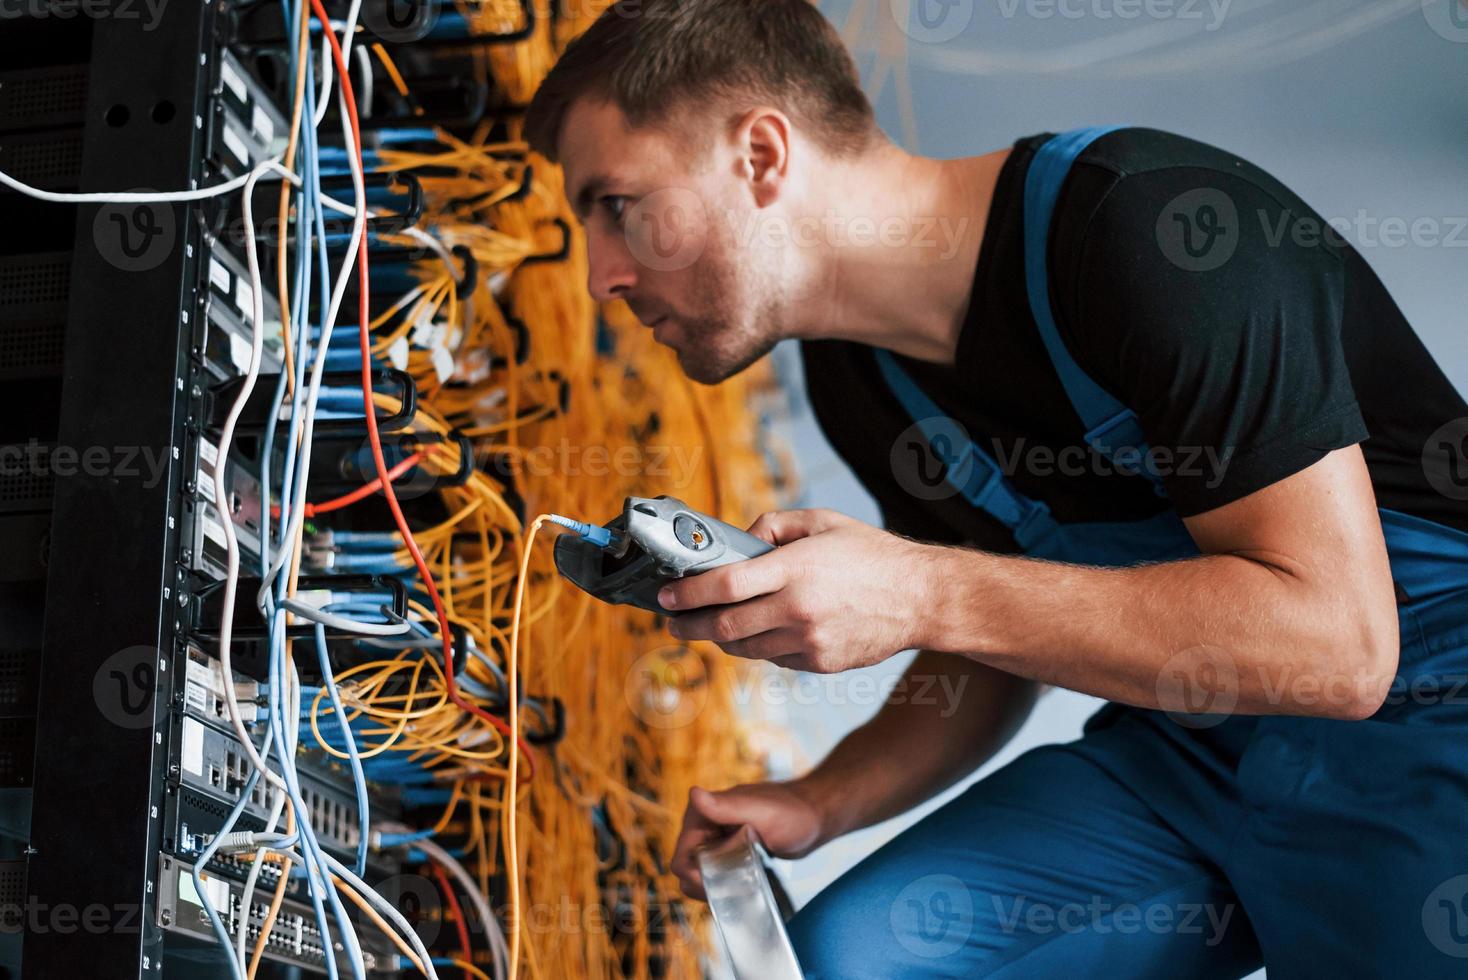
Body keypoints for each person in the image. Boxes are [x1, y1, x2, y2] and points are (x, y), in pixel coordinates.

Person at [525, 1, 1468, 975]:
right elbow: (999, 634)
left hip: (1424, 714)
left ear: (760, 154)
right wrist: (822, 797)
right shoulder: (857, 377)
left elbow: (1338, 645)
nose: (600, 275)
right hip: (1184, 751)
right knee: (849, 960)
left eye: (617, 205)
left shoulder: (1148, 229)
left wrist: (918, 589)